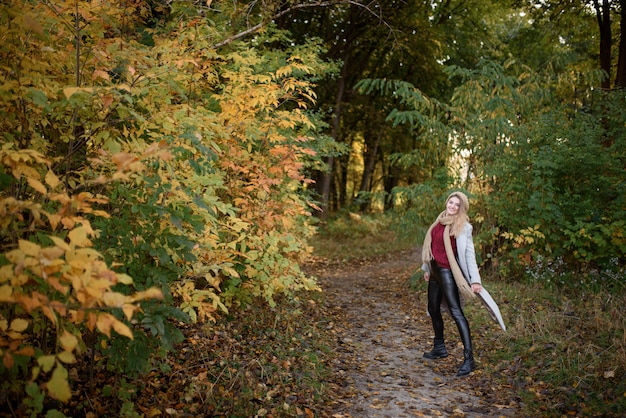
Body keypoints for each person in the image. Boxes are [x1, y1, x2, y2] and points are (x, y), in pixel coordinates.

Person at [421, 191, 483, 377]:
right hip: (434, 270)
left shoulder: (463, 227)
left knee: (456, 312)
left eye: (457, 204)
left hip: (448, 271)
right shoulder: (439, 220)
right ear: (447, 202)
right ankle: (439, 347)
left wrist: (475, 280)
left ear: (461, 208)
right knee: (433, 308)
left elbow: (469, 254)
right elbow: (431, 246)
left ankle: (469, 359)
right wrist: (426, 268)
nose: (453, 206)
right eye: (451, 202)